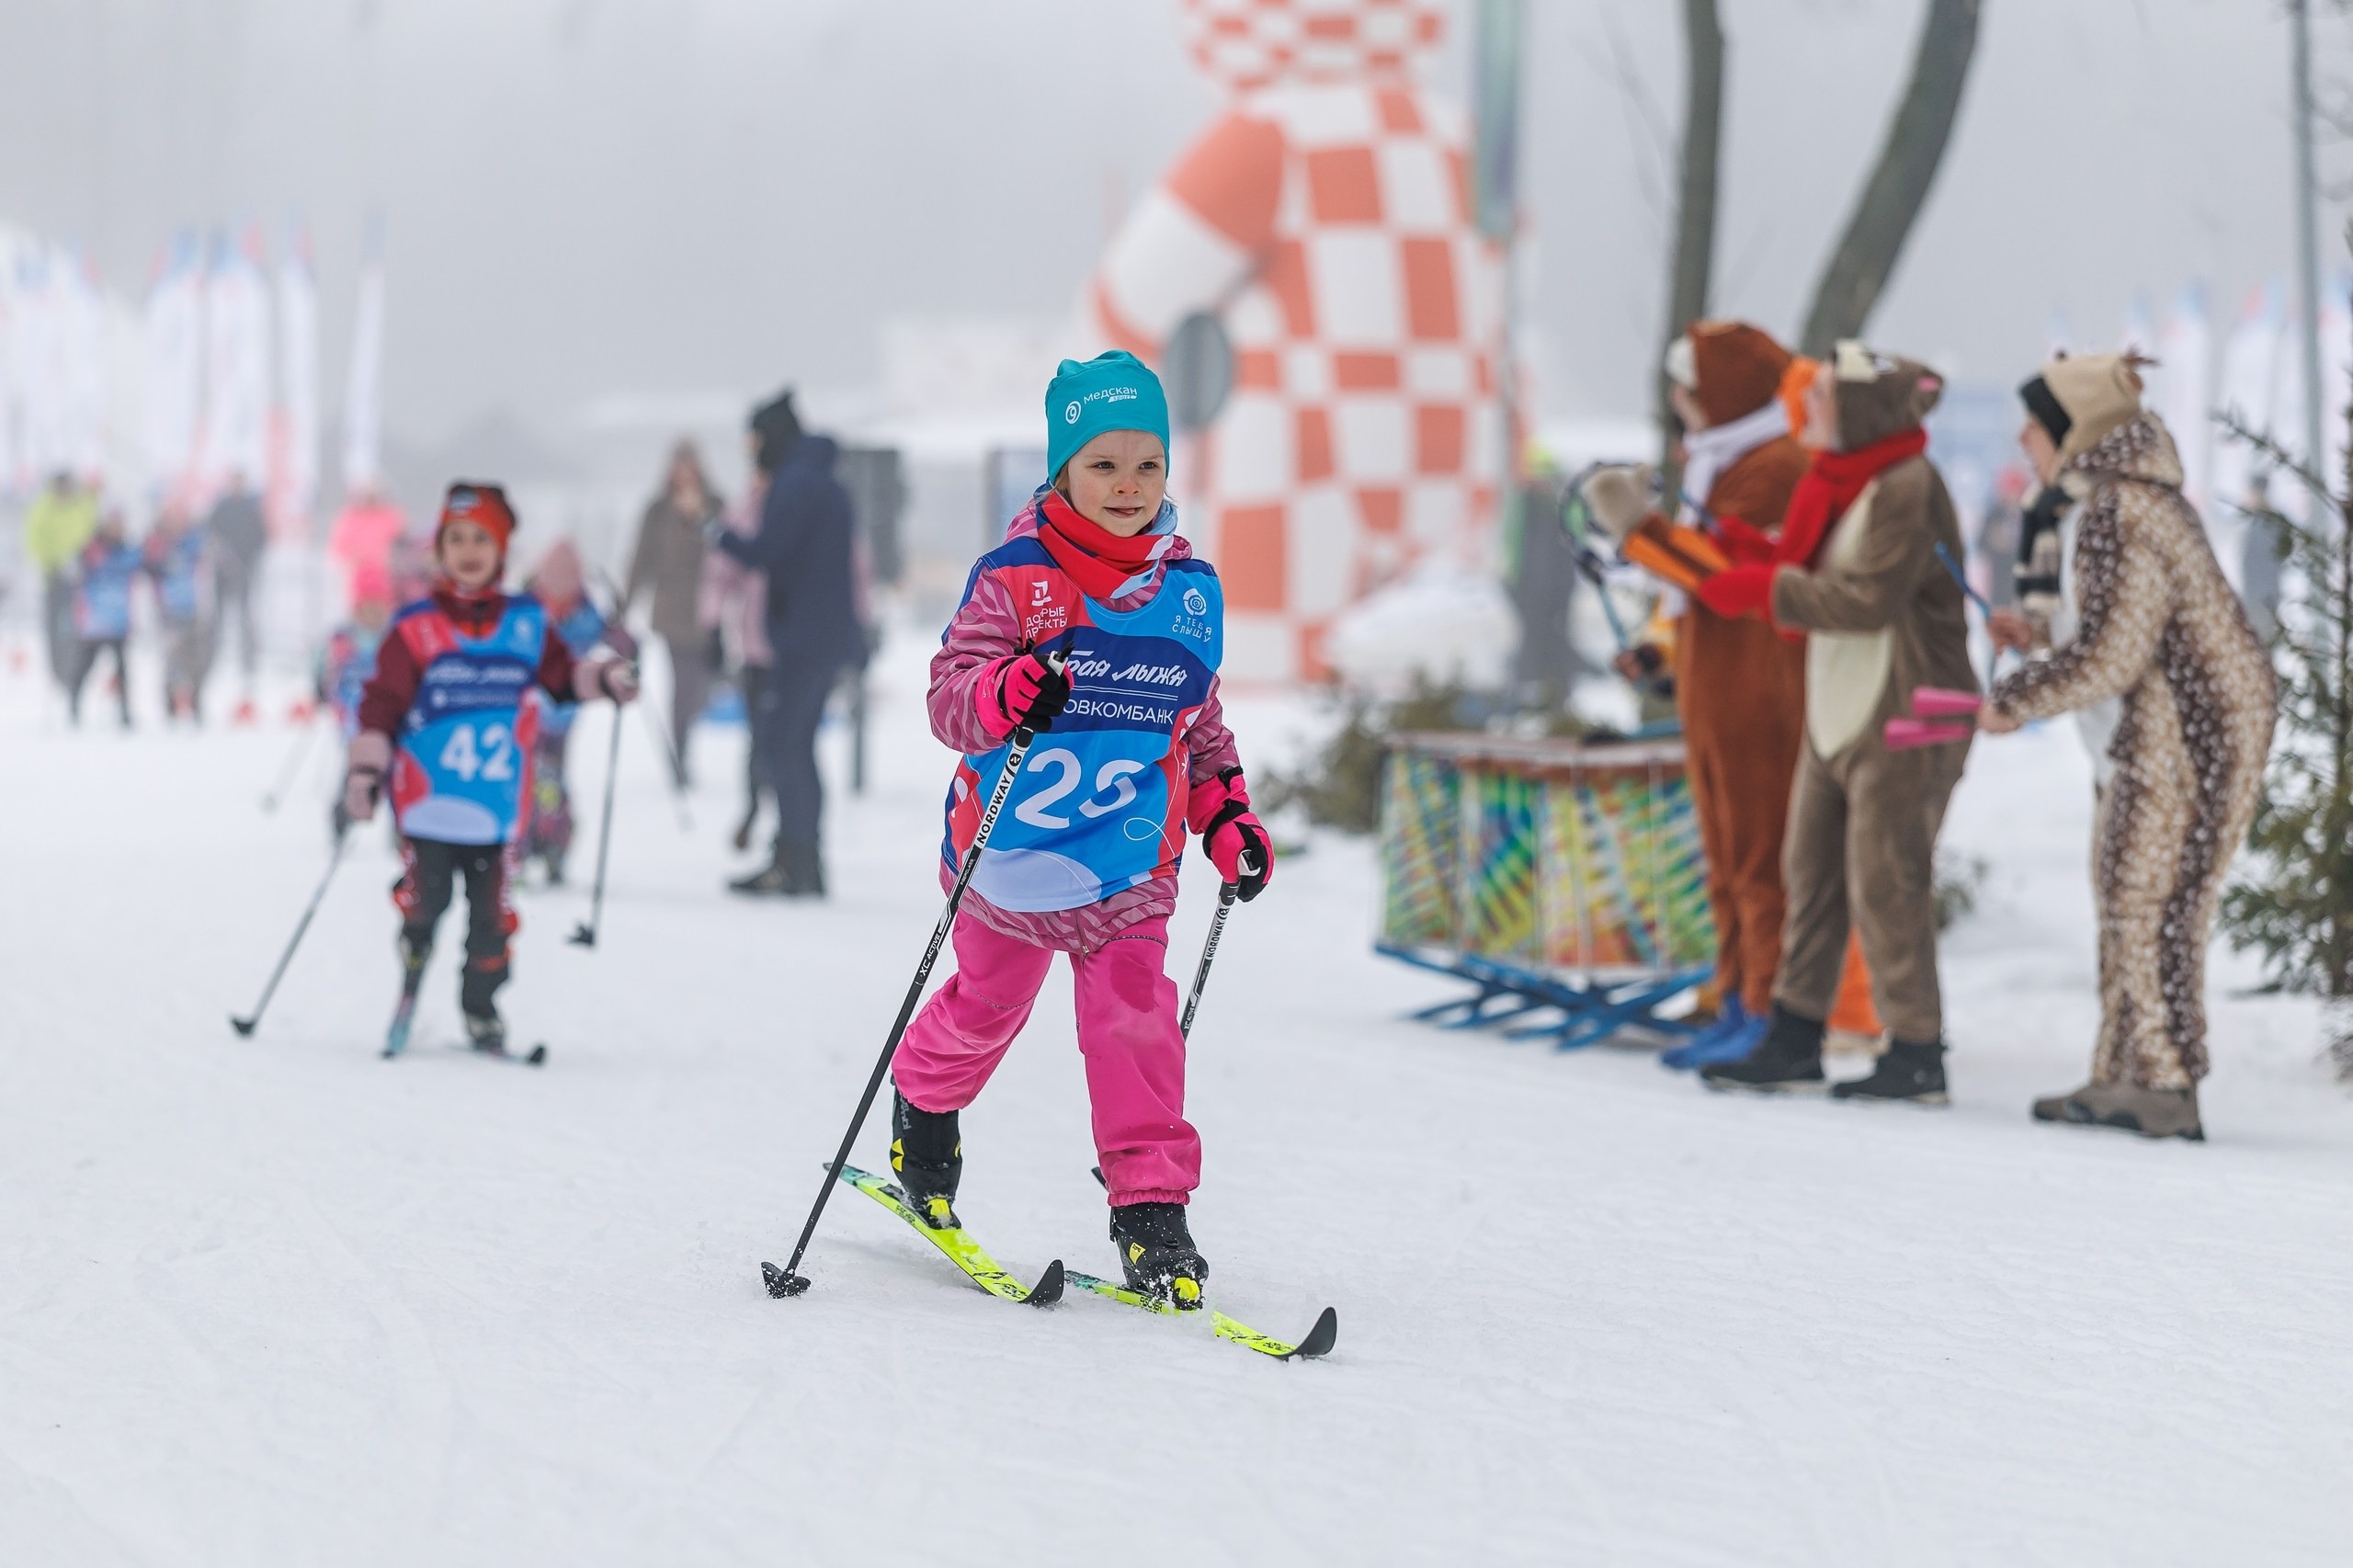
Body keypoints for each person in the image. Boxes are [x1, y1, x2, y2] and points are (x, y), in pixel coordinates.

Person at [887, 350, 1272, 1305]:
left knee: (1133, 1023)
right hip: (1009, 861)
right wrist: (1004, 688)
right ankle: (923, 1115)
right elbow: (948, 698)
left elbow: (1202, 727)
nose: (1128, 487)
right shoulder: (1014, 581)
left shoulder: (1191, 595)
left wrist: (1227, 817)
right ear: (1061, 471)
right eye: (1103, 465)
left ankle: (1151, 1213)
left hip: (1128, 861)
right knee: (983, 1010)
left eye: (1147, 465)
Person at [1978, 355, 2275, 1141]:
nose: (2022, 439)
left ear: (2078, 431)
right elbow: (2117, 625)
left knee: (2154, 901)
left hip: (2188, 729)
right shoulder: (2105, 506)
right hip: (2151, 729)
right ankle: (2121, 1071)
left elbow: (2116, 651)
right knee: (2123, 890)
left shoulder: (2121, 510)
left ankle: (2165, 1082)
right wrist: (2040, 635)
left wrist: (2017, 698)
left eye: (2036, 425)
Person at [1689, 341, 1976, 1104]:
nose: (1802, 413)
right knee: (1810, 874)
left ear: (1860, 411)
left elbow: (1863, 600)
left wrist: (1758, 587)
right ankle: (1794, 1032)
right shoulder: (1838, 483)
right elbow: (1805, 564)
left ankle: (1917, 1049)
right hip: (1841, 704)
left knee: (1887, 881)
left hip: (1908, 711)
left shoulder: (1906, 486)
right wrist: (1734, 552)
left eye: (1818, 400)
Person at [1583, 323, 1813, 1068]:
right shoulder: (1725, 461)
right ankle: (1732, 991)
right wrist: (1659, 650)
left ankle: (1764, 1004)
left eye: (1690, 389)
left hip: (1759, 690)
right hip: (1717, 688)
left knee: (1756, 858)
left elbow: (1721, 574)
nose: (1680, 404)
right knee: (1725, 859)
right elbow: (1700, 588)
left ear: (1725, 394)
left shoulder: (1772, 465)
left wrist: (1638, 530)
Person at [340, 483, 638, 1053]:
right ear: (440, 551)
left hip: (499, 814)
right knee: (424, 905)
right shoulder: (416, 628)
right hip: (428, 808)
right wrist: (366, 772)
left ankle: (482, 1007)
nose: (469, 550)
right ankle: (411, 975)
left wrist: (604, 679)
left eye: (482, 538)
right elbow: (380, 704)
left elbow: (562, 677)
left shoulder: (526, 625)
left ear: (502, 550)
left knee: (492, 923)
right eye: (457, 539)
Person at [716, 392, 867, 896]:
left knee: (785, 747)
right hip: (817, 637)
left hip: (807, 639)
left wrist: (718, 531)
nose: (750, 449)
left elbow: (767, 552)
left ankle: (798, 863)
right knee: (794, 746)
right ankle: (799, 859)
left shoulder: (796, 484)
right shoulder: (818, 480)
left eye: (754, 438)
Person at [518, 539, 632, 885]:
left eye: (564, 590)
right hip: (525, 718)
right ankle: (521, 848)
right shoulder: (524, 612)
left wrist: (623, 641)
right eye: (550, 589)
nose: (557, 599)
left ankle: (555, 843)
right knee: (527, 783)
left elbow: (618, 647)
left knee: (551, 783)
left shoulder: (586, 615)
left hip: (562, 719)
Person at [624, 440, 719, 786]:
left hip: (710, 613)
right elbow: (641, 559)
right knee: (683, 685)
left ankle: (685, 738)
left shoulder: (715, 505)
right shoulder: (658, 511)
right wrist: (625, 602)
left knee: (700, 689)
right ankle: (680, 751)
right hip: (672, 613)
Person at [702, 462, 774, 852]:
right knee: (759, 738)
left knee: (787, 742)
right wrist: (712, 624)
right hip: (753, 646)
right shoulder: (744, 509)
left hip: (794, 648)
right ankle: (752, 810)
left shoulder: (798, 506)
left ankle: (784, 825)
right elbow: (720, 572)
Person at [67, 509, 140, 729]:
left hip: (118, 620)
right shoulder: (92, 549)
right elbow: (75, 571)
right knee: (85, 666)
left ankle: (125, 713)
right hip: (95, 621)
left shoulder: (128, 550)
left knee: (122, 669)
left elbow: (147, 567)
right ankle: (73, 708)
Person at [26, 471, 97, 694]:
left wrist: (83, 561)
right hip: (54, 578)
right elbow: (34, 541)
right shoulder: (44, 509)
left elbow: (92, 531)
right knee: (55, 628)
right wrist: (54, 563)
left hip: (81, 580)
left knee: (79, 630)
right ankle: (58, 672)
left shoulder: (80, 506)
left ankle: (74, 675)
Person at [205, 473, 269, 716]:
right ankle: (215, 656)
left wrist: (248, 562)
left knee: (246, 618)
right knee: (218, 618)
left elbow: (261, 538)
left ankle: (248, 661)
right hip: (222, 574)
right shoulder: (221, 508)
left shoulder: (251, 509)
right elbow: (211, 535)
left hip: (245, 571)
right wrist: (223, 559)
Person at [145, 503, 213, 722]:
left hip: (192, 608)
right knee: (172, 657)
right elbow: (148, 565)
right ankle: (170, 704)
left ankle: (195, 702)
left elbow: (205, 554)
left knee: (196, 659)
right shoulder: (156, 544)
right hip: (167, 611)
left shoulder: (192, 542)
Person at [328, 484, 409, 610]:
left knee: (387, 609)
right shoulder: (350, 517)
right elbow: (339, 547)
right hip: (360, 576)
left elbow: (403, 541)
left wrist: (392, 558)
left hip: (387, 576)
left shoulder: (390, 515)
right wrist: (354, 556)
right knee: (362, 610)